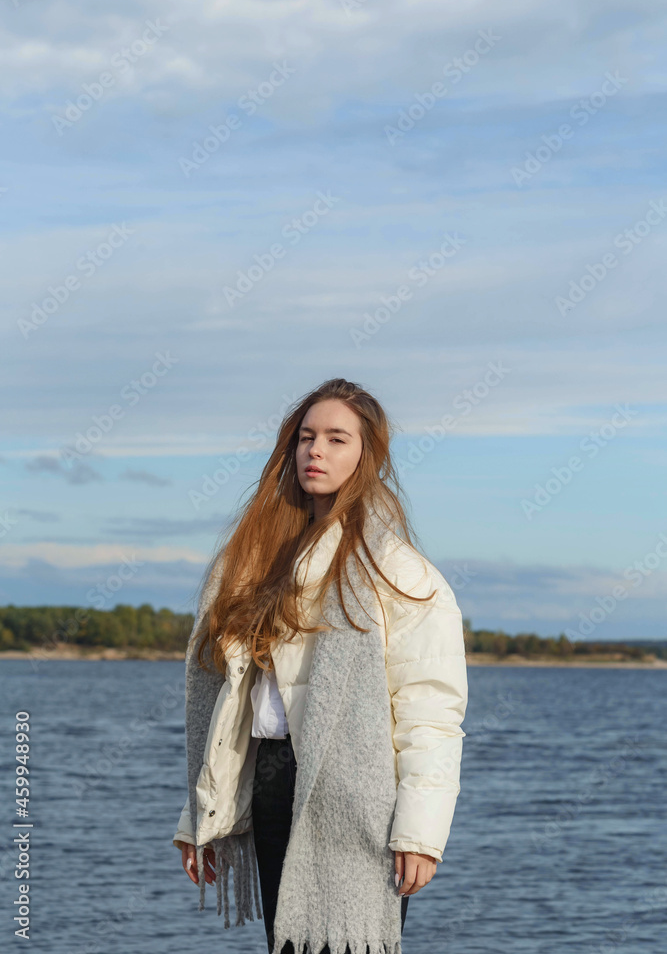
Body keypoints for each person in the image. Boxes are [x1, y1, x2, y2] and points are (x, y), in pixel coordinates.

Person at [173, 377, 468, 954]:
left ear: (368, 455)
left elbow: (430, 711)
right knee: (285, 946)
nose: (316, 451)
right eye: (307, 437)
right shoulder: (255, 561)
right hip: (270, 778)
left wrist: (420, 834)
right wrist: (200, 815)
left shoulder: (399, 574)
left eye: (337, 439)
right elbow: (230, 707)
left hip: (359, 794)